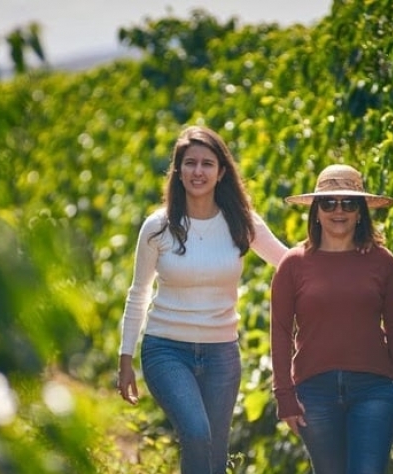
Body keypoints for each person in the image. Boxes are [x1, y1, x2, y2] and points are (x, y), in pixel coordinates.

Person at [116, 125, 288, 474]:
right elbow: (138, 294)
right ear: (177, 172)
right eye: (189, 163)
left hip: (222, 353)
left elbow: (288, 261)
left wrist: (337, 252)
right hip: (166, 349)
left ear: (221, 171)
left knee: (214, 455)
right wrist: (125, 358)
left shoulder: (242, 223)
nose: (198, 171)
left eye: (207, 163)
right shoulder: (158, 227)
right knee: (196, 433)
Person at [269, 164, 393, 474]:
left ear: (361, 213)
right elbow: (279, 333)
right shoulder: (293, 264)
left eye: (349, 203)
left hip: (375, 390)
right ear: (316, 212)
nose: (338, 210)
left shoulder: (383, 262)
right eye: (328, 203)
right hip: (314, 393)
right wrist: (284, 396)